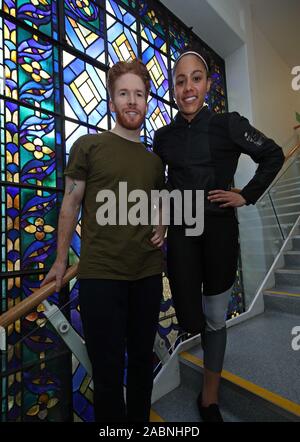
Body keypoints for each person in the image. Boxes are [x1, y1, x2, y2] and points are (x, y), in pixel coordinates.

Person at [153, 47, 285, 422]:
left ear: (208, 85)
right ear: (173, 88)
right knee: (190, 316)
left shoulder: (229, 123)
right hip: (182, 233)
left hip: (219, 231)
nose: (188, 87)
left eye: (196, 78)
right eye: (180, 81)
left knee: (213, 317)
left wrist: (245, 194)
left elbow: (273, 154)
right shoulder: (163, 137)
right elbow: (161, 185)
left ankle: (209, 399)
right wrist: (160, 220)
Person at [41, 59, 166, 422]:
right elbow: (71, 202)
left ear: (147, 101)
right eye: (124, 93)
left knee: (142, 364)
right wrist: (61, 261)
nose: (132, 101)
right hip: (101, 278)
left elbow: (158, 203)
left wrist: (164, 226)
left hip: (146, 275)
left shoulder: (155, 161)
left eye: (139, 94)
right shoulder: (88, 146)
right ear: (112, 101)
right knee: (107, 374)